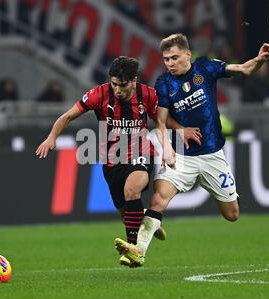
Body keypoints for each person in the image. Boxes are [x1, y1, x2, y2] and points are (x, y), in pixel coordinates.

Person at [114, 33, 269, 266]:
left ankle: (231, 193)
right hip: (182, 156)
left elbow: (243, 69)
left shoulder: (206, 67)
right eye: (166, 59)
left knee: (232, 215)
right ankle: (138, 251)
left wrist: (260, 59)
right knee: (158, 199)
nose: (169, 63)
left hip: (212, 156)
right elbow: (160, 122)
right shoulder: (164, 83)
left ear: (187, 54)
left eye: (174, 57)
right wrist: (169, 147)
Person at [36, 56, 189, 267]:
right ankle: (148, 223)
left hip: (141, 151)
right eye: (114, 84)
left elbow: (161, 122)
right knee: (126, 214)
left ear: (134, 80)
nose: (117, 90)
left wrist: (177, 137)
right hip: (111, 160)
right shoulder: (99, 94)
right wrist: (52, 137)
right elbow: (68, 116)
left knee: (132, 190)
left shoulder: (148, 95)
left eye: (123, 85)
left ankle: (135, 249)